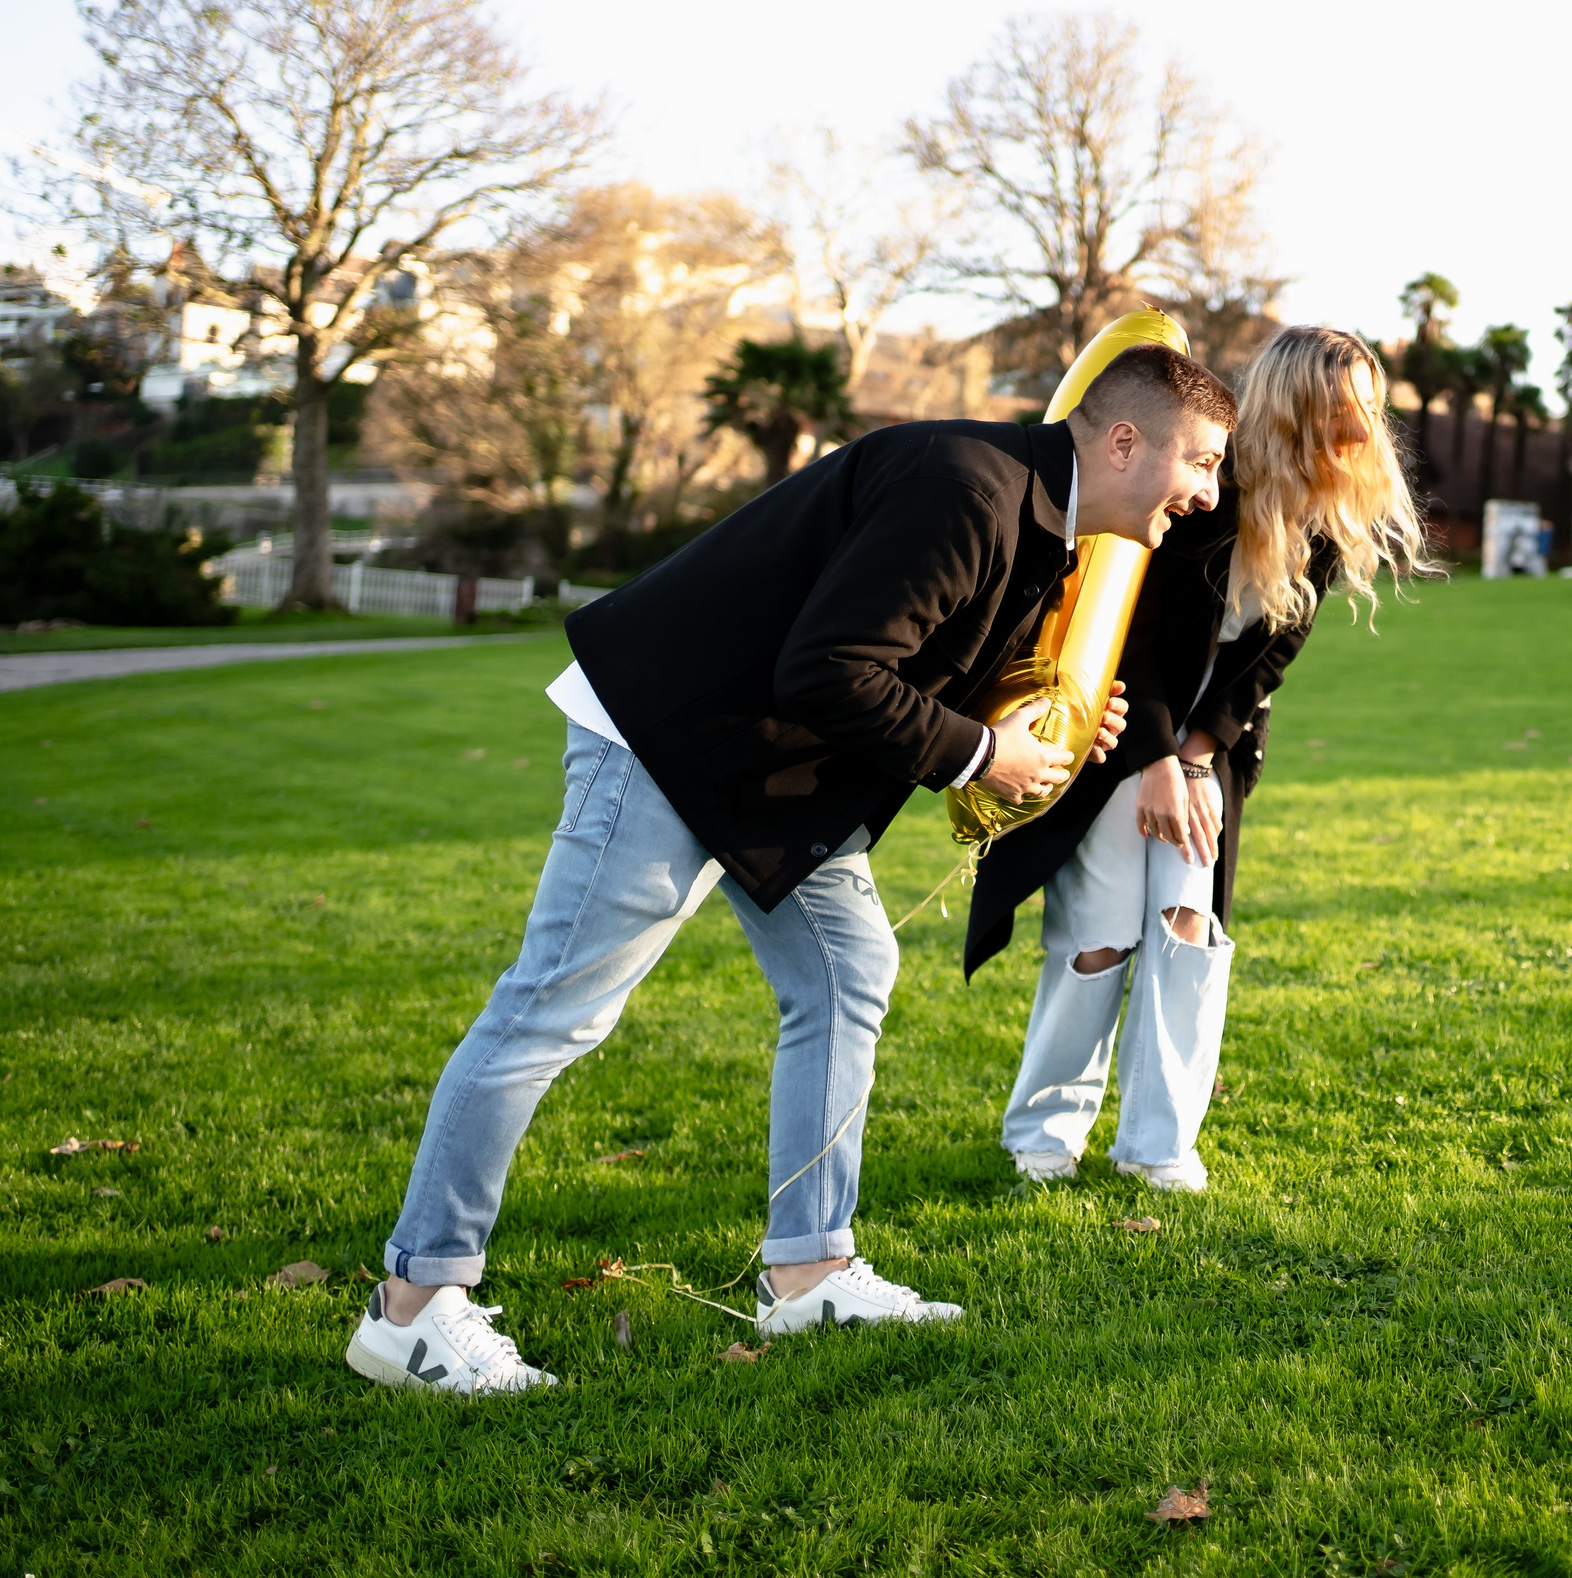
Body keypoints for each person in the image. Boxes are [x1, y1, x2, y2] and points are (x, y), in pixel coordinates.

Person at [345, 345, 1237, 1395]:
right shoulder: (967, 486)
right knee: (555, 1011)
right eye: (1203, 462)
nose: (1210, 492)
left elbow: (909, 657)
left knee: (845, 972)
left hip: (773, 776)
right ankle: (412, 1306)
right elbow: (827, 668)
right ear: (1124, 439)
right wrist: (984, 754)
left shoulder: (1036, 509)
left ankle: (809, 1272)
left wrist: (1025, 723)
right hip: (667, 738)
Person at [964, 326, 1433, 1193]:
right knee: (1098, 935)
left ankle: (1157, 1145)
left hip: (1208, 748)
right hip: (1114, 732)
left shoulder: (1325, 518)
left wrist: (1195, 760)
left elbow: (1270, 659)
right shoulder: (1200, 486)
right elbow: (1126, 631)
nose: (1362, 434)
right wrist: (1151, 758)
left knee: (1189, 925)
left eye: (1368, 412)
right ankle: (1042, 1131)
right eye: (1343, 413)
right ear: (1293, 407)